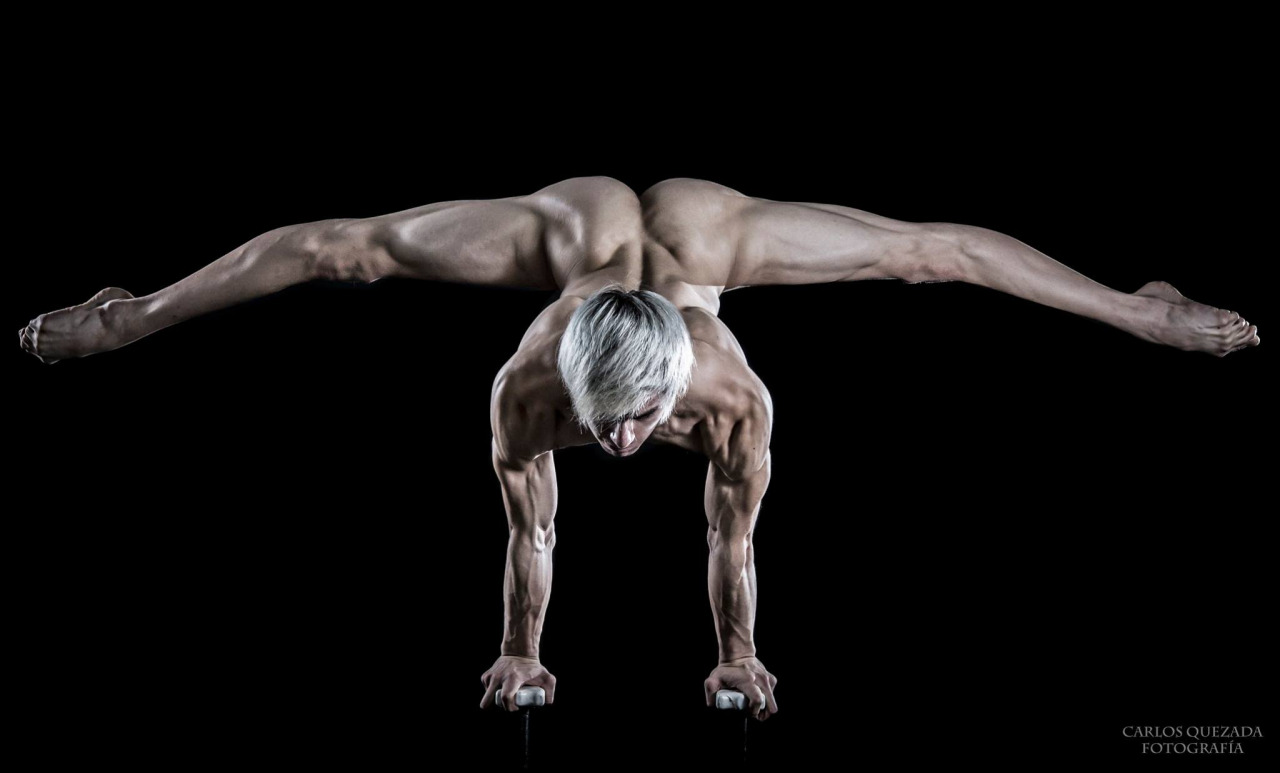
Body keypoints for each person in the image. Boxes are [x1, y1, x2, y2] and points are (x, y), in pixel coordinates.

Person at [18, 176, 1259, 721]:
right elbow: (533, 524)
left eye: (640, 428)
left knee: (920, 251)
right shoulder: (521, 385)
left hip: (706, 244)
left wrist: (741, 653)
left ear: (674, 395)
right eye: (600, 426)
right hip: (570, 240)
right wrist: (517, 650)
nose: (620, 448)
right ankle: (133, 310)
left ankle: (1133, 303)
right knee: (357, 247)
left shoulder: (730, 395)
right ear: (563, 385)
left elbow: (734, 530)